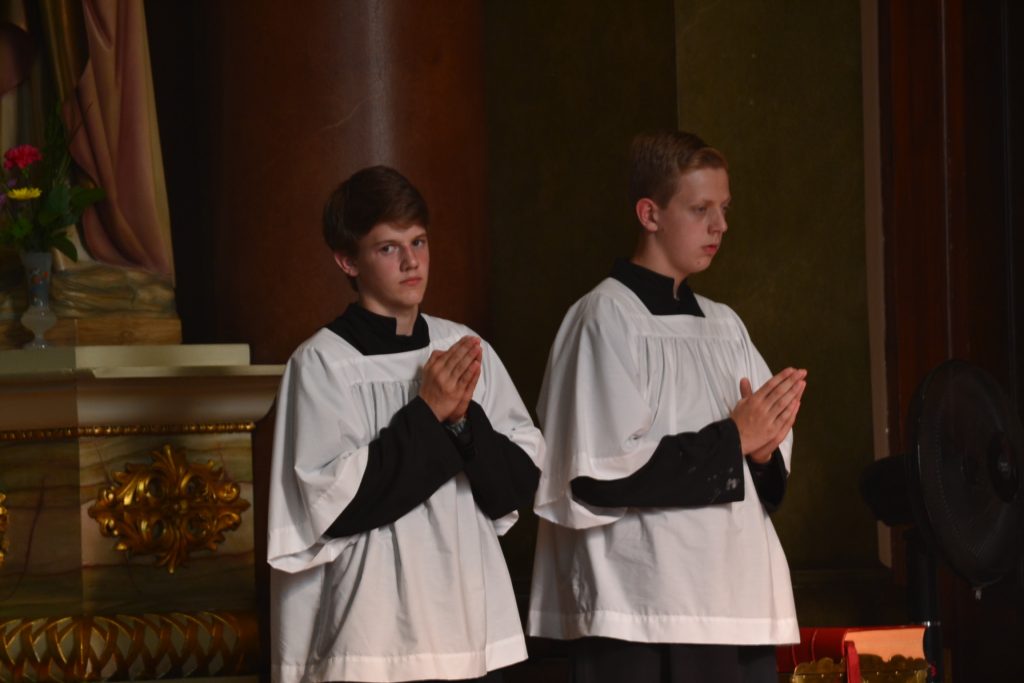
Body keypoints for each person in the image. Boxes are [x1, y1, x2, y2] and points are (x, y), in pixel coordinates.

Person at [527, 131, 807, 683]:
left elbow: (760, 472)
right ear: (649, 214)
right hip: (641, 613)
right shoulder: (603, 319)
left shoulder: (725, 325)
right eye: (700, 209)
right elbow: (598, 477)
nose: (720, 226)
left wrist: (761, 453)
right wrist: (734, 440)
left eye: (724, 209)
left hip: (735, 602)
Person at [267, 166, 543, 683]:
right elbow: (336, 505)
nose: (412, 261)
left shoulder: (464, 349)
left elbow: (515, 484)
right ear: (347, 259)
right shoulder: (323, 364)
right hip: (375, 638)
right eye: (388, 248)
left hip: (472, 625)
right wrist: (428, 413)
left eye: (418, 241)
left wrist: (463, 422)